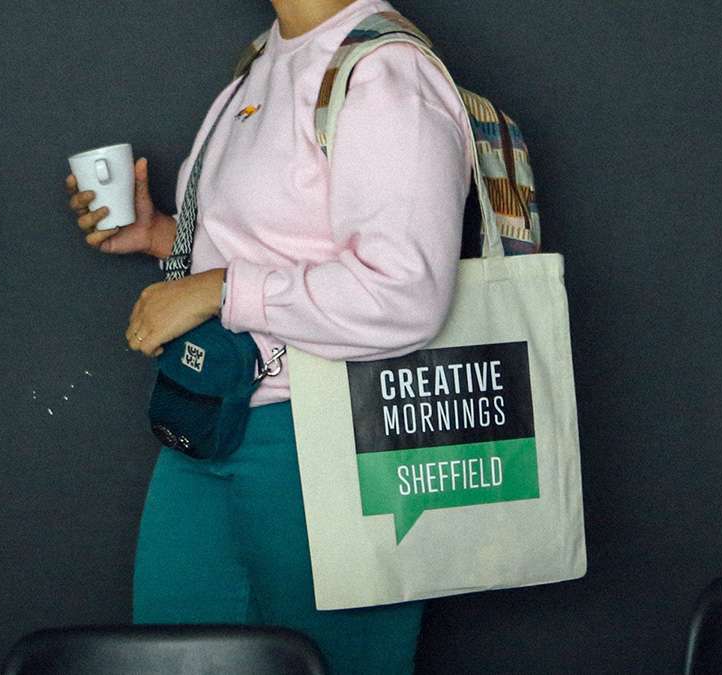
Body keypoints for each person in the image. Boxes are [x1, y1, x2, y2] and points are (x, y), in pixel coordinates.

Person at [65, 0, 473, 672]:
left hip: (330, 441)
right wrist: (164, 236)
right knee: (172, 658)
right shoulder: (263, 61)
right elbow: (273, 246)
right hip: (210, 422)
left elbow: (407, 291)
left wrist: (217, 289)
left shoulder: (384, 70)